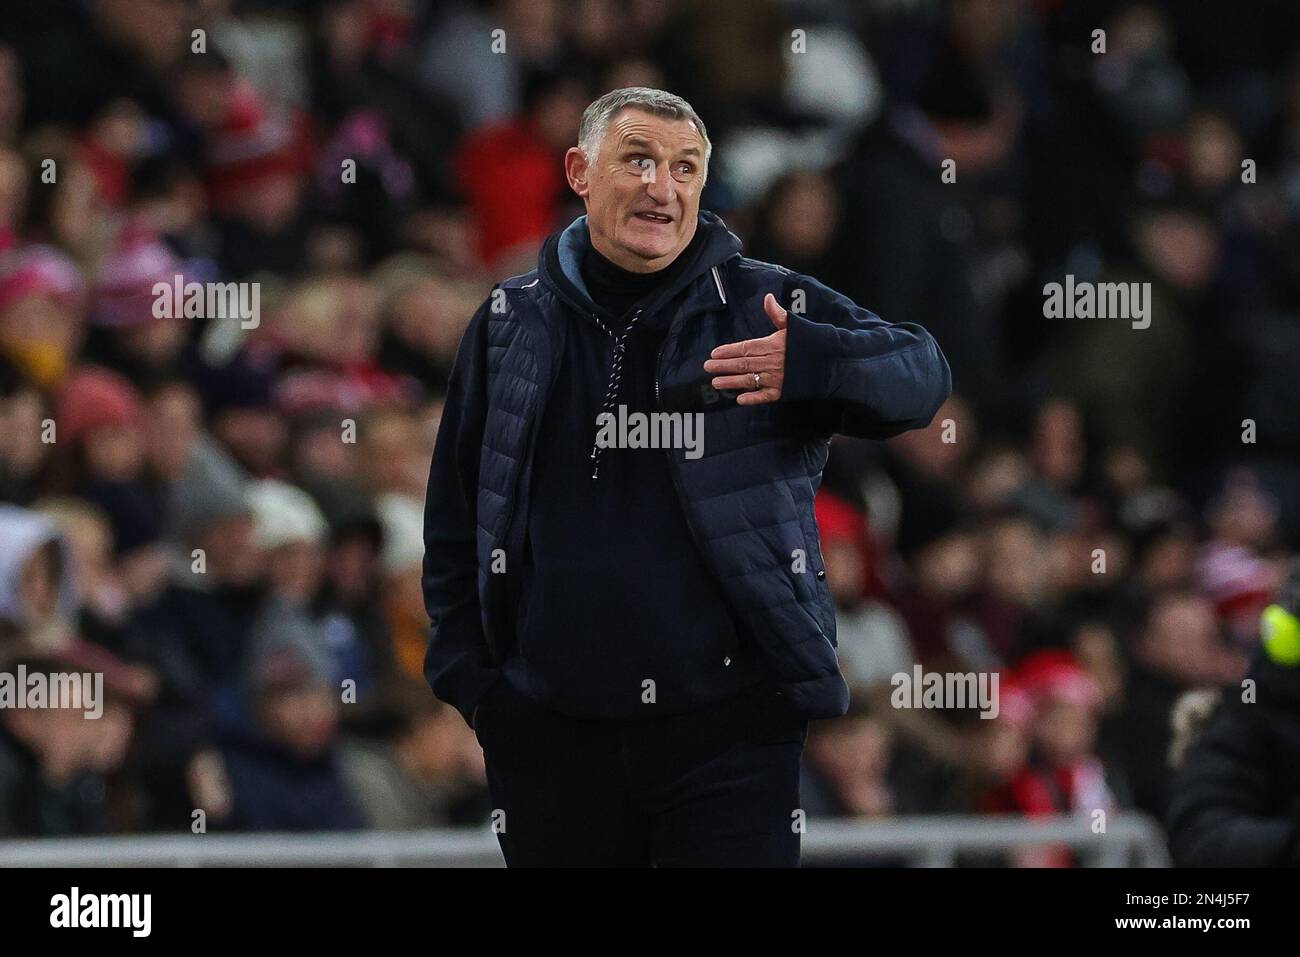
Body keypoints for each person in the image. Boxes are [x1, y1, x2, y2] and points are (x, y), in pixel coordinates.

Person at [422, 87, 951, 867]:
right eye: (636, 160)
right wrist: (479, 688)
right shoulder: (509, 320)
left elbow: (923, 373)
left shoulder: (762, 303)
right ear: (579, 170)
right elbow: (456, 515)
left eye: (685, 168)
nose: (660, 188)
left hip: (730, 739)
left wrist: (810, 360)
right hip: (553, 739)